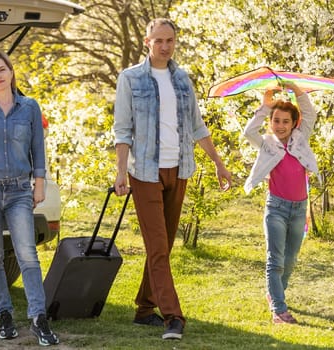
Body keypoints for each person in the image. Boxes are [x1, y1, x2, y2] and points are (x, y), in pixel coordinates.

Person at [113, 18, 232, 340]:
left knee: (162, 246)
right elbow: (122, 131)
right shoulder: (131, 79)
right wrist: (121, 171)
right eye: (159, 40)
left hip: (179, 170)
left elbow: (198, 127)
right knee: (157, 246)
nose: (165, 46)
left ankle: (143, 309)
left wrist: (219, 164)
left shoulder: (182, 80)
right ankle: (173, 317)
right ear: (147, 42)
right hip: (145, 173)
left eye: (170, 40)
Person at [0, 50, 58, 346]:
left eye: (2, 70)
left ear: (11, 72)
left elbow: (38, 149)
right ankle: (4, 314)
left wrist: (38, 184)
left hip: (19, 190)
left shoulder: (29, 107)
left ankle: (38, 319)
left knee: (27, 255)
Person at [242, 81, 319, 324]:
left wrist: (297, 90)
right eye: (276, 120)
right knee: (275, 260)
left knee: (290, 259)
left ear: (294, 124)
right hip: (276, 208)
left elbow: (310, 114)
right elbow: (248, 132)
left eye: (286, 121)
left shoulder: (300, 138)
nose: (280, 126)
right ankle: (279, 309)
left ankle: (275, 293)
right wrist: (265, 106)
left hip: (299, 209)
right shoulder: (267, 144)